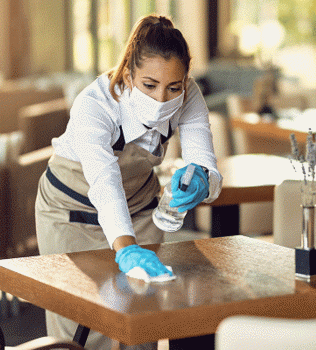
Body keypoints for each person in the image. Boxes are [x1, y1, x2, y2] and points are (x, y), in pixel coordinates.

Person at [35, 14, 222, 350]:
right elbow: (104, 181)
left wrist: (203, 182)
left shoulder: (189, 94)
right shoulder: (95, 105)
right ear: (128, 74)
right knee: (87, 325)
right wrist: (126, 249)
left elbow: (203, 159)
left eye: (173, 87)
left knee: (142, 320)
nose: (162, 99)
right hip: (71, 212)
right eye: (149, 85)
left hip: (140, 207)